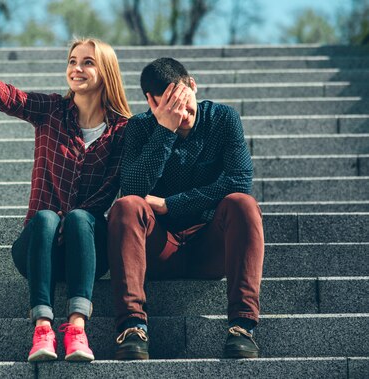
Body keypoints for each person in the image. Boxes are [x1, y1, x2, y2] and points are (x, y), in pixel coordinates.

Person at [0, 15, 131, 362]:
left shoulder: (123, 132)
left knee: (81, 217)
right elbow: (5, 96)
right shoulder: (52, 109)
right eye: (72, 61)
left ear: (106, 72)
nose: (76, 68)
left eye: (87, 62)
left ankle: (77, 328)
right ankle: (43, 329)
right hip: (40, 247)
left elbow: (124, 189)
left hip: (87, 250)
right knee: (48, 218)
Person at [107, 57, 264, 360]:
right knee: (126, 207)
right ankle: (133, 326)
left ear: (193, 85)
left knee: (242, 204)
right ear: (152, 101)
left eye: (185, 100)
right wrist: (164, 130)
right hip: (158, 249)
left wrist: (170, 204)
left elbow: (240, 181)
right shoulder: (140, 127)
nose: (182, 112)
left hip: (209, 245)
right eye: (170, 105)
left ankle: (243, 328)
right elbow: (134, 190)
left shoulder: (223, 118)